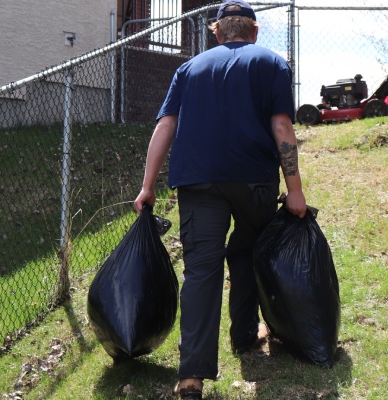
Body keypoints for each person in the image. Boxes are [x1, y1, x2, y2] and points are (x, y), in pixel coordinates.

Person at [132, 1, 307, 399]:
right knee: (248, 251)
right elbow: (281, 125)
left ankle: (190, 377)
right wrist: (293, 189)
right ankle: (245, 335)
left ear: (217, 32)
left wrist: (148, 186)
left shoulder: (188, 69)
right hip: (254, 183)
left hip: (198, 183)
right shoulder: (272, 63)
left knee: (201, 273)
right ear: (254, 31)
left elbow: (166, 126)